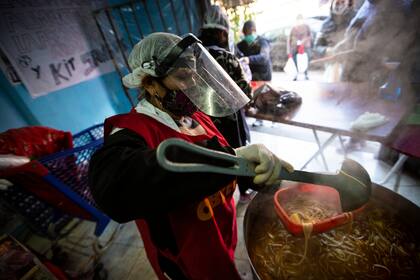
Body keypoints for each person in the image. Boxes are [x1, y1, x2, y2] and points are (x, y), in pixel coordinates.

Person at [88, 32, 294, 280]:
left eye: (195, 75)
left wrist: (254, 172)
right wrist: (229, 158)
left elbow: (227, 165)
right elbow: (114, 188)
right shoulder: (131, 132)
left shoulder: (196, 117)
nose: (194, 85)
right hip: (186, 255)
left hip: (220, 230)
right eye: (183, 77)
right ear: (150, 83)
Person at [199, 5, 254, 203]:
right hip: (229, 120)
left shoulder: (192, 56)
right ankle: (245, 191)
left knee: (216, 155)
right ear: (222, 33)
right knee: (238, 153)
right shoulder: (227, 58)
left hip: (203, 121)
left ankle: (220, 193)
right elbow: (246, 94)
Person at [237, 20, 272, 127]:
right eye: (245, 34)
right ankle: (258, 117)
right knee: (255, 97)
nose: (247, 36)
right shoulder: (243, 44)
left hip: (263, 75)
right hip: (252, 76)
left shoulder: (262, 42)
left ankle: (266, 118)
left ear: (254, 30)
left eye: (249, 33)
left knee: (264, 97)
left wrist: (249, 59)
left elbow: (264, 57)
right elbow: (236, 51)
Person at [287, 14, 313, 81]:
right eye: (298, 20)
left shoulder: (306, 27)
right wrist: (288, 50)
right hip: (294, 46)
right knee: (294, 60)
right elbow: (289, 39)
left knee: (307, 59)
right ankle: (295, 73)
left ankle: (306, 73)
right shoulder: (293, 28)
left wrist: (304, 41)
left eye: (300, 20)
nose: (299, 21)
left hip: (305, 46)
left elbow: (310, 36)